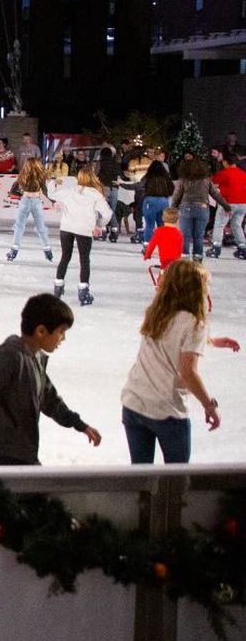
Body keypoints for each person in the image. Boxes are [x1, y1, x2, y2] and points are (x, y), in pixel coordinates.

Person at [0, 294, 101, 466]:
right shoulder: (11, 356)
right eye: (61, 332)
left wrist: (79, 424)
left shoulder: (36, 357)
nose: (63, 338)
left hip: (17, 451)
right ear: (41, 331)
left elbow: (49, 400)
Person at [119, 259, 238, 464]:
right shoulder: (194, 324)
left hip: (134, 402)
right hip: (167, 410)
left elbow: (172, 336)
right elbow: (188, 373)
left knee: (141, 477)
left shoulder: (156, 312)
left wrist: (211, 341)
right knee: (176, 479)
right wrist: (209, 406)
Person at [53, 167, 112, 306]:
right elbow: (108, 214)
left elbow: (53, 194)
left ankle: (58, 286)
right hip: (85, 229)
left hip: (67, 227)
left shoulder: (69, 191)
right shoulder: (95, 194)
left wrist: (53, 184)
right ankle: (83, 290)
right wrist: (99, 224)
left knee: (65, 256)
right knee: (84, 259)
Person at [171, 157, 225, 261]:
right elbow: (216, 195)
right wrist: (226, 206)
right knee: (199, 236)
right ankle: (198, 259)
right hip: (202, 208)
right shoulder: (206, 181)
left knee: (185, 236)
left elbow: (176, 196)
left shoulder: (183, 180)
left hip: (186, 208)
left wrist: (173, 208)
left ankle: (184, 259)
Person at [7, 157, 55, 263]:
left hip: (25, 201)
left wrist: (19, 194)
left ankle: (14, 251)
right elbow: (46, 191)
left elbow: (13, 190)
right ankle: (48, 250)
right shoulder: (40, 177)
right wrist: (53, 201)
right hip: (36, 202)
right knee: (41, 227)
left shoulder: (23, 176)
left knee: (19, 226)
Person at [214, 154, 246, 259]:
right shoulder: (243, 174)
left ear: (225, 162)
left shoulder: (224, 173)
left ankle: (216, 247)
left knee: (220, 224)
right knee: (237, 225)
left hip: (228, 203)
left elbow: (212, 183)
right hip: (243, 203)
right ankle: (243, 247)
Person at [137, 158, 174, 244]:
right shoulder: (166, 178)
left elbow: (139, 186)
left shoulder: (147, 177)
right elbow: (172, 189)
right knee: (162, 225)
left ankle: (147, 244)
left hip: (150, 201)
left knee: (149, 225)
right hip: (163, 202)